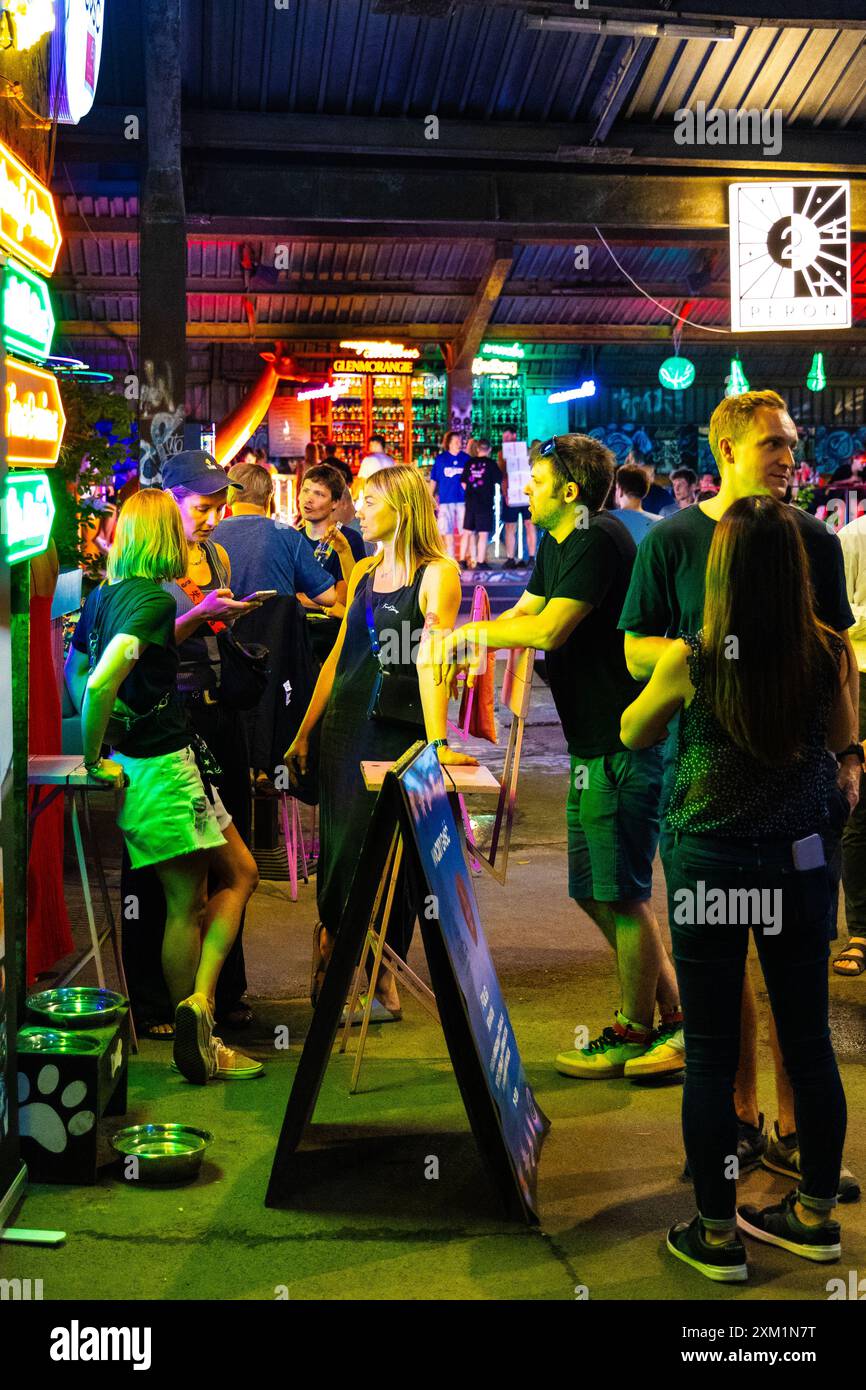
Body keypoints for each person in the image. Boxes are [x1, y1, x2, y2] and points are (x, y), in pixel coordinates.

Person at [620, 389, 862, 1194]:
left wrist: (850, 758)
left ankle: (730, 1206)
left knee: (724, 1032)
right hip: (785, 840)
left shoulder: (814, 543)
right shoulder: (674, 543)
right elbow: (832, 667)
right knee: (792, 1023)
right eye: (775, 446)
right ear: (726, 451)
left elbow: (633, 727)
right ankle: (805, 1194)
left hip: (722, 840)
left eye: (794, 445)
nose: (791, 460)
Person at [436, 435, 682, 1080]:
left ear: (570, 492)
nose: (527, 490)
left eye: (538, 482)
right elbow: (527, 608)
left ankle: (640, 1029)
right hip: (587, 744)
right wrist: (472, 641)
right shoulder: (559, 540)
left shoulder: (599, 540)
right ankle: (675, 1019)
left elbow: (548, 629)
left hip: (621, 743)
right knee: (593, 892)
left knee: (620, 894)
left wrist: (469, 635)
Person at [66, 489, 262, 1082]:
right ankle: (199, 1035)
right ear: (162, 537)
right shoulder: (151, 598)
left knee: (242, 873)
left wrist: (109, 730)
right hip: (160, 768)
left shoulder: (104, 596)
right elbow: (99, 683)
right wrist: (98, 750)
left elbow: (77, 672)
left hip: (166, 760)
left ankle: (198, 1009)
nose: (192, 533)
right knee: (187, 905)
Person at [286, 466, 476, 1020]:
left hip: (397, 733)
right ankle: (348, 970)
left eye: (369, 501)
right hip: (345, 729)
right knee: (342, 858)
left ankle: (381, 983)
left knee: (392, 860)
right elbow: (337, 658)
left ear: (402, 507)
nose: (357, 510)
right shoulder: (366, 569)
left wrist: (438, 744)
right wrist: (304, 732)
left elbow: (435, 652)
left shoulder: (437, 573)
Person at [211, 462, 345, 610]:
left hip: (222, 630)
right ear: (269, 497)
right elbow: (329, 597)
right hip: (278, 631)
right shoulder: (289, 535)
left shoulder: (209, 535)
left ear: (228, 496)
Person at [834, 511, 866, 979]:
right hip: (864, 676)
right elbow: (834, 619)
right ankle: (860, 929)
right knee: (861, 810)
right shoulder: (853, 536)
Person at [295, 464, 367, 660]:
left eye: (319, 494)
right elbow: (283, 595)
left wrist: (300, 596)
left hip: (330, 637)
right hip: (296, 635)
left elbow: (342, 599)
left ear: (335, 502)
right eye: (306, 490)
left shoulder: (347, 540)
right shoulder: (292, 538)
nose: (308, 498)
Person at [498, 430, 537, 568]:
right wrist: (505, 493)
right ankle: (510, 558)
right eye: (504, 437)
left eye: (507, 437)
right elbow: (503, 475)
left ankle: (532, 557)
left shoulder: (526, 450)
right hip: (511, 493)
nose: (505, 440)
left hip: (526, 493)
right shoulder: (502, 454)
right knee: (510, 526)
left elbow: (533, 472)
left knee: (529, 524)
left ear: (514, 436)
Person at [429, 431, 469, 561]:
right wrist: (430, 497)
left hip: (463, 500)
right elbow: (434, 479)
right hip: (446, 499)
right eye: (456, 441)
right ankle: (451, 558)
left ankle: (463, 558)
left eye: (460, 441)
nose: (459, 444)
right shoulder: (441, 459)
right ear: (449, 443)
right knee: (447, 531)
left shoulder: (466, 458)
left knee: (466, 530)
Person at [460, 438, 501, 568]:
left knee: (467, 532)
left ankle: (461, 561)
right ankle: (480, 561)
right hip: (485, 503)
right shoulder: (491, 464)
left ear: (477, 449)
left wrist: (472, 492)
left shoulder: (469, 463)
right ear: (489, 450)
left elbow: (463, 482)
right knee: (483, 534)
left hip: (470, 502)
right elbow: (499, 480)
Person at [612, 463, 661, 546]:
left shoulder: (606, 520)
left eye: (616, 488)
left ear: (620, 491)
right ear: (645, 492)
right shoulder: (661, 523)